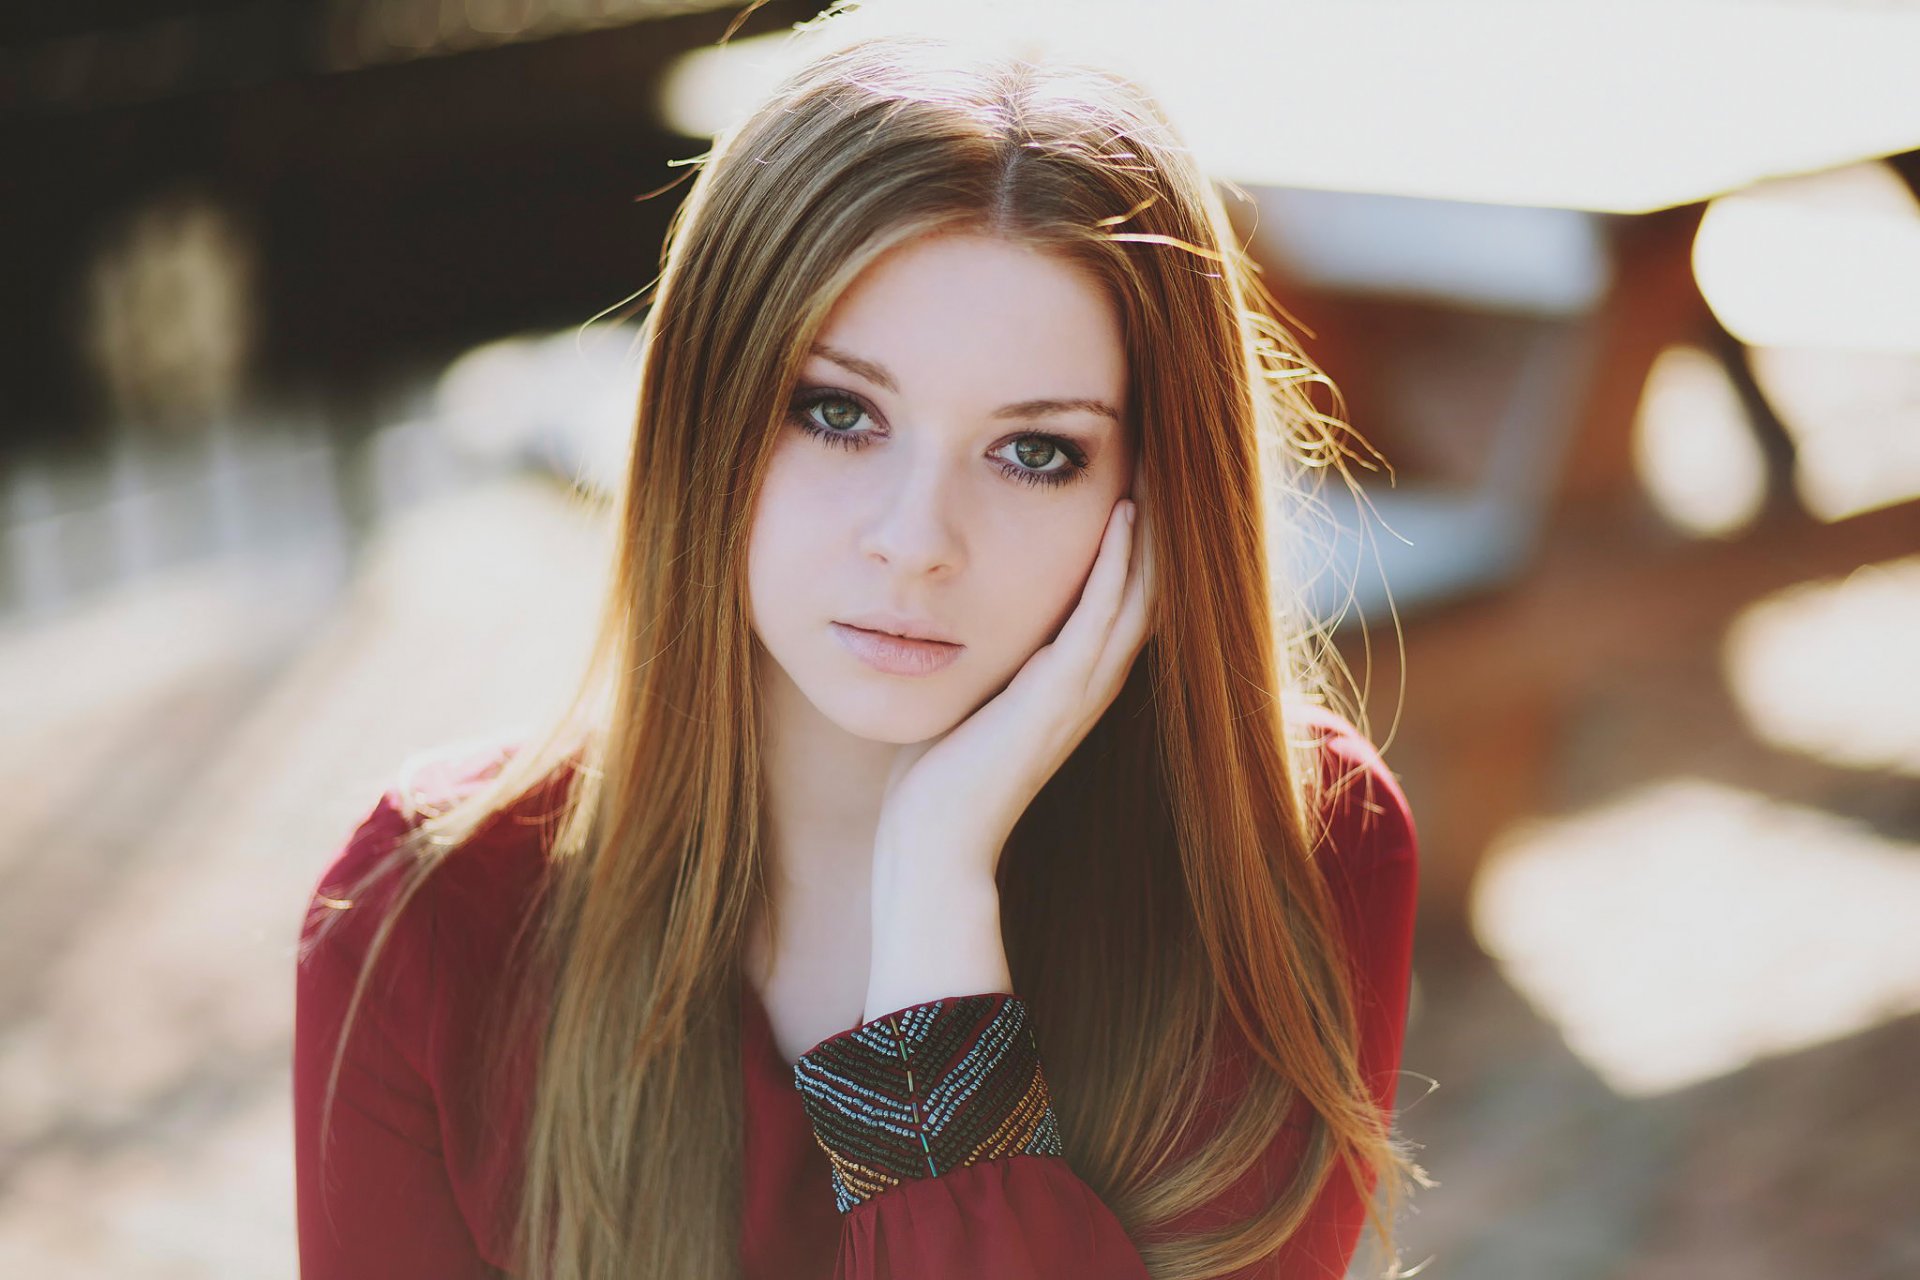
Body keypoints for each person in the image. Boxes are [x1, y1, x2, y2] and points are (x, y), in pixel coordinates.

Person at [293, 25, 1428, 1280]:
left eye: (1035, 449)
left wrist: (937, 902)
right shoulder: (430, 914)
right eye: (839, 413)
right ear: (703, 415)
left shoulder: (1292, 849)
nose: (915, 542)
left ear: (1156, 498)